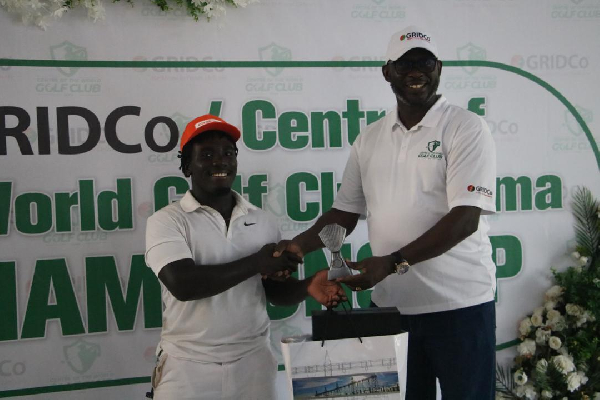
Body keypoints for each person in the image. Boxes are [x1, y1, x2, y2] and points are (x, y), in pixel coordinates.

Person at [274, 26, 497, 400]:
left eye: (425, 62)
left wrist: (392, 263)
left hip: (460, 306)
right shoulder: (370, 137)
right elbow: (344, 214)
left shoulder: (465, 127)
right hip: (392, 308)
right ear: (387, 71)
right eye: (405, 63)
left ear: (439, 68)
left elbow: (465, 219)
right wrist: (296, 248)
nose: (416, 71)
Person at [145, 114, 346, 400]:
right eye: (207, 155)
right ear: (187, 166)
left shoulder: (262, 220)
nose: (220, 162)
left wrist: (307, 286)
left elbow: (272, 291)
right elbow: (183, 285)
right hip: (187, 366)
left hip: (253, 364)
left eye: (228, 153)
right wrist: (256, 262)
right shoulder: (167, 220)